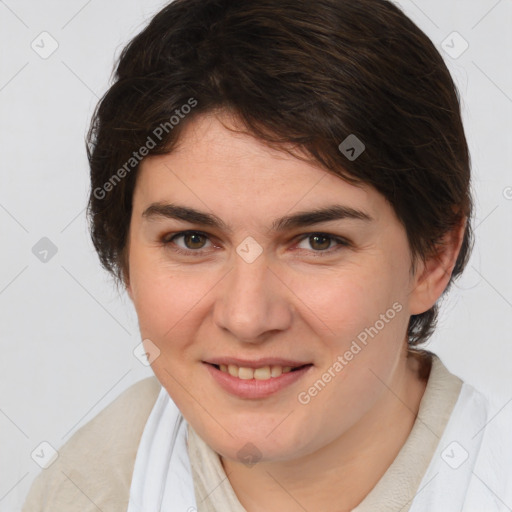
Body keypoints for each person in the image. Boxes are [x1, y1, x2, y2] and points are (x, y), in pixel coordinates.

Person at [22, 0, 512, 511]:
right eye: (192, 239)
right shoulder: (91, 487)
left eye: (318, 241)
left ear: (434, 257)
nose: (247, 317)